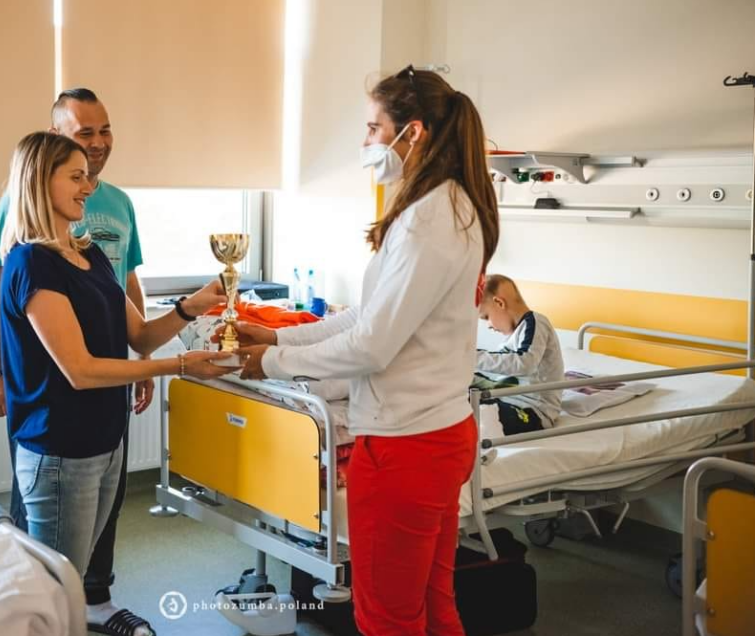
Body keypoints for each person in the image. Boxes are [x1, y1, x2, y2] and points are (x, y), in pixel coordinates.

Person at [232, 66, 500, 636]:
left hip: (407, 447)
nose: (366, 142)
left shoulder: (428, 221)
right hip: (438, 434)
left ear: (413, 132)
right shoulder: (446, 205)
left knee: (385, 618)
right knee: (434, 606)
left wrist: (272, 364)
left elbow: (372, 345)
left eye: (374, 128)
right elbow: (366, 316)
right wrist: (278, 337)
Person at [0, 131, 235, 636]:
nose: (89, 187)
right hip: (60, 451)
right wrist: (180, 367)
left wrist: (195, 303)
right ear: (39, 181)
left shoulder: (91, 256)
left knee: (75, 582)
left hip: (106, 441)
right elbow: (81, 370)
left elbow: (140, 335)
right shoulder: (32, 263)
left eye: (88, 176)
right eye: (76, 177)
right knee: (55, 599)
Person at [0, 89, 154, 634]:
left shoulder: (104, 223)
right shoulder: (27, 245)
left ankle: (93, 602)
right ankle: (37, 610)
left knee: (93, 527)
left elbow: (126, 287)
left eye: (105, 130)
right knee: (45, 541)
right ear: (55, 143)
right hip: (58, 413)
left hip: (108, 398)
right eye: (84, 135)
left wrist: (148, 349)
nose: (98, 146)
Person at [476, 274, 564, 434]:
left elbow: (524, 363)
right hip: (507, 400)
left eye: (486, 317)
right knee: (458, 398)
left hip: (534, 411)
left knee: (482, 413)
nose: (488, 325)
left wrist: (472, 357)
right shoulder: (513, 337)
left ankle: (480, 432)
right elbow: (498, 365)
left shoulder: (536, 322)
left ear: (499, 303)